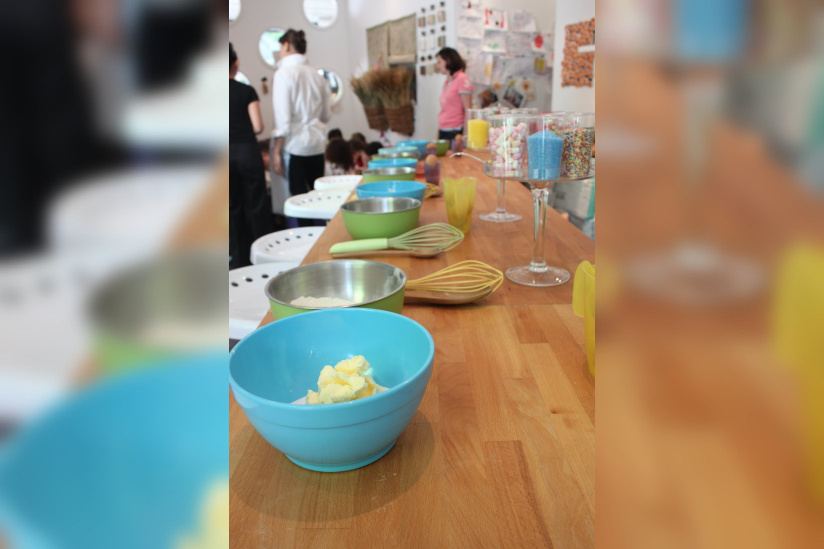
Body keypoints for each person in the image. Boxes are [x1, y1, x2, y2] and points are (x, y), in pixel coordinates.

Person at [271, 29, 331, 206]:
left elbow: (283, 120)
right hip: (317, 145)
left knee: (300, 202)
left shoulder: (283, 73)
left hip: (295, 146)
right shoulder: (316, 75)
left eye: (280, 47)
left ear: (286, 45)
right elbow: (326, 115)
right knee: (320, 199)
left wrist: (276, 151)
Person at [230, 43, 273, 269]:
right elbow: (258, 126)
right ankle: (263, 259)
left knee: (230, 209)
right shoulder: (246, 91)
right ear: (235, 63)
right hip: (247, 151)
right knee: (256, 206)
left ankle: (237, 264)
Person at [435, 47, 473, 142]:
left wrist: (465, 136)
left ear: (448, 61)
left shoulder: (461, 78)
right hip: (443, 130)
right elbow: (445, 110)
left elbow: (468, 109)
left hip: (455, 132)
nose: (437, 66)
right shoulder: (448, 81)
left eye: (439, 62)